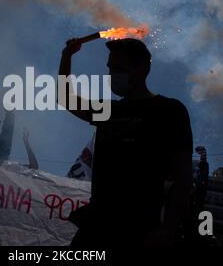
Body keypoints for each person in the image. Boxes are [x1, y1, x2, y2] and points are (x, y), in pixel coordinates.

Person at [58, 38, 193, 247]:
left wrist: (168, 229)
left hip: (139, 229)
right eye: (110, 69)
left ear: (142, 69)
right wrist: (66, 57)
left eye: (119, 68)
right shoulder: (108, 110)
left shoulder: (170, 110)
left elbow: (182, 178)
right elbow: (64, 97)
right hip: (97, 227)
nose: (112, 75)